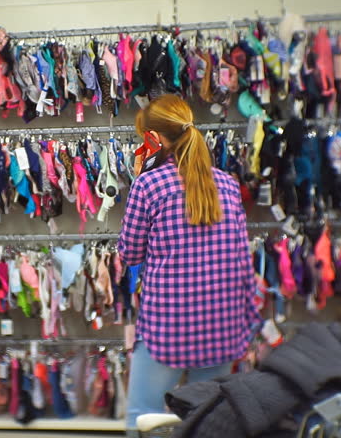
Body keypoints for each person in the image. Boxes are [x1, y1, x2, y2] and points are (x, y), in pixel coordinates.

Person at [118, 94, 260, 437]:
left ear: (155, 140)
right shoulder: (226, 184)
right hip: (222, 324)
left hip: (168, 326)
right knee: (208, 420)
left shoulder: (149, 185)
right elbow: (242, 258)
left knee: (142, 416)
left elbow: (130, 253)